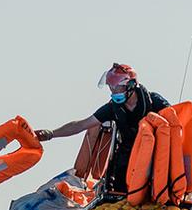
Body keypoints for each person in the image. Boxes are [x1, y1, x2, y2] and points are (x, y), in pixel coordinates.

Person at [34, 63, 170, 193]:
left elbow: (175, 121)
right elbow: (81, 125)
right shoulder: (112, 108)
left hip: (155, 153)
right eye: (111, 87)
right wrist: (51, 133)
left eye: (116, 87)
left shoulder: (155, 102)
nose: (112, 91)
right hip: (126, 155)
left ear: (131, 85)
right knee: (118, 180)